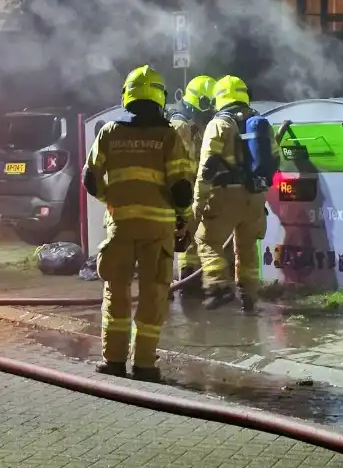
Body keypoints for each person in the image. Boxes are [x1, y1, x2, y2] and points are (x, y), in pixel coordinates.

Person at [83, 65, 192, 381]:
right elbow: (182, 188)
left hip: (121, 226)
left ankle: (113, 361)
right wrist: (182, 218)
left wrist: (112, 200)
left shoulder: (110, 132)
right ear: (159, 96)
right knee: (153, 294)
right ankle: (144, 365)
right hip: (157, 230)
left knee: (115, 291)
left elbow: (90, 178)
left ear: (127, 96)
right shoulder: (168, 136)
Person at [193, 75, 271, 312]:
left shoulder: (219, 124)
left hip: (226, 194)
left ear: (218, 99)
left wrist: (198, 202)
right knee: (247, 247)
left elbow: (206, 166)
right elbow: (272, 160)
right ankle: (249, 296)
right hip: (255, 196)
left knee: (206, 239)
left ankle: (219, 288)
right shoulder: (259, 121)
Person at [167, 75, 217, 298]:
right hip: (179, 190)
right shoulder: (180, 125)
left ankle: (187, 283)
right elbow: (180, 165)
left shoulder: (192, 124)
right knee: (177, 237)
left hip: (189, 189)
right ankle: (174, 287)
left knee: (189, 236)